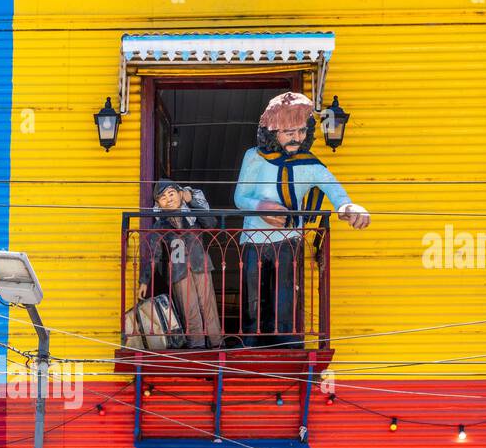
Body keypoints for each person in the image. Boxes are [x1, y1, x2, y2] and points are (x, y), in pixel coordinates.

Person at [232, 92, 370, 346]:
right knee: (253, 291)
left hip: (289, 239)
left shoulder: (312, 165)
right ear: (272, 132)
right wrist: (262, 207)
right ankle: (250, 338)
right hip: (253, 238)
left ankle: (286, 339)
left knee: (286, 292)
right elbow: (240, 197)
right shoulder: (254, 157)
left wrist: (351, 208)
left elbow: (337, 194)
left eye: (300, 131)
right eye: (288, 132)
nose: (296, 138)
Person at [139, 178, 224, 349]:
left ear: (180, 194)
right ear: (158, 204)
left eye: (171, 193)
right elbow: (153, 254)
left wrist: (191, 200)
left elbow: (211, 223)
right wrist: (144, 280)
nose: (169, 199)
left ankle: (216, 342)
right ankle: (197, 343)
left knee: (207, 304)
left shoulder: (193, 216)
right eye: (163, 197)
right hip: (179, 270)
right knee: (189, 306)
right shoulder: (160, 225)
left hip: (200, 264)